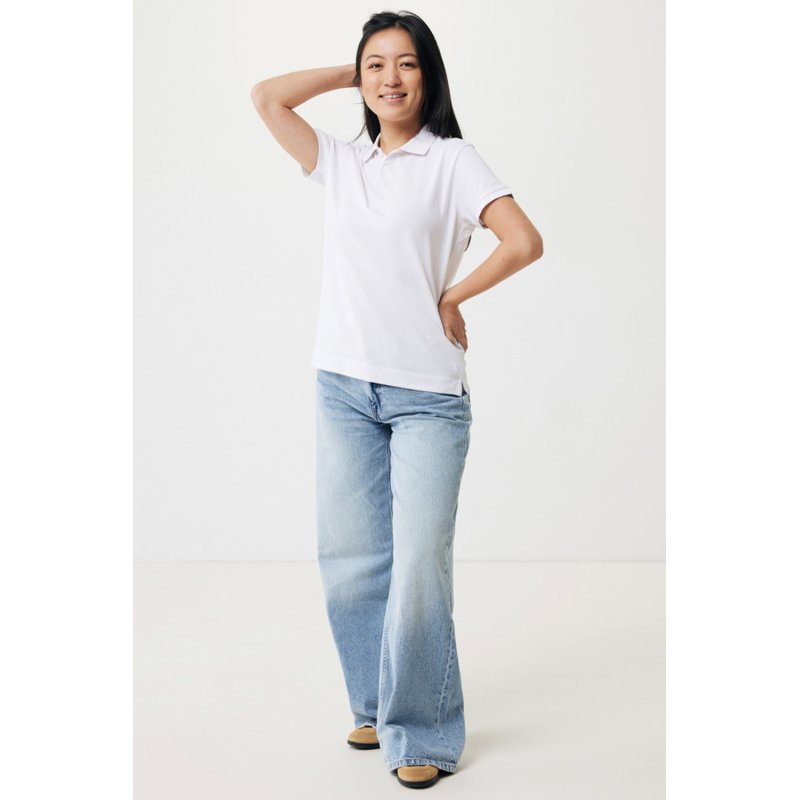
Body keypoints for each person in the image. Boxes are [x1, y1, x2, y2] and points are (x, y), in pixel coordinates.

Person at [251, 10, 543, 790]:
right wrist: (350, 74)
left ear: (429, 75)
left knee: (417, 566)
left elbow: (524, 240)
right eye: (375, 64)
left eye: (406, 64)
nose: (390, 78)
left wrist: (454, 295)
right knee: (351, 562)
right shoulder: (341, 161)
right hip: (342, 386)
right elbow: (267, 97)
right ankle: (376, 706)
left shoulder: (453, 161)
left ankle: (424, 732)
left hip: (427, 397)